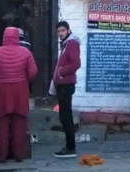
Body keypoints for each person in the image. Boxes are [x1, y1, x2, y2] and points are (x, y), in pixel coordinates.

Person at [0, 27, 37, 163]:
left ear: (4, 37)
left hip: (1, 90)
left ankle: (1, 156)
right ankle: (19, 155)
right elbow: (33, 72)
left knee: (1, 124)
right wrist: (24, 80)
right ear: (17, 37)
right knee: (19, 124)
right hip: (20, 90)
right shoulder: (25, 52)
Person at [51, 21, 80, 159]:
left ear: (68, 30)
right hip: (62, 85)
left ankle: (70, 148)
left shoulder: (71, 43)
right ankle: (69, 146)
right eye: (58, 31)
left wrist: (62, 72)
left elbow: (76, 63)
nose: (61, 33)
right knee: (64, 117)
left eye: (63, 30)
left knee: (66, 117)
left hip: (66, 85)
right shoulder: (65, 44)